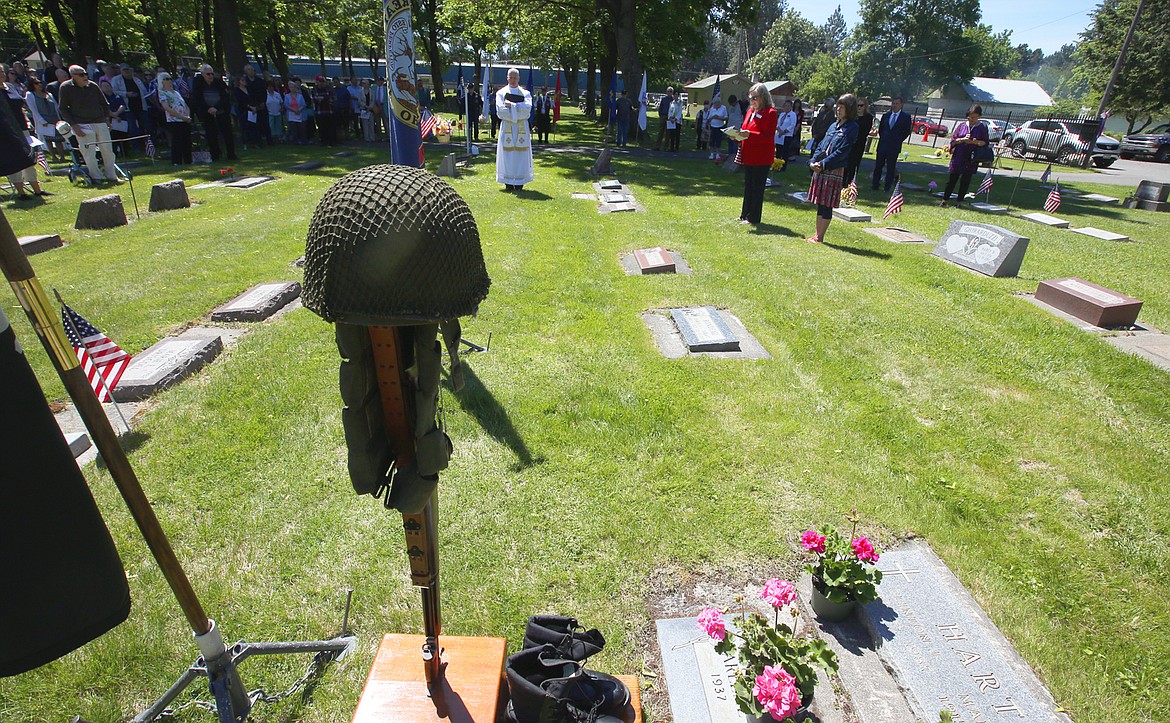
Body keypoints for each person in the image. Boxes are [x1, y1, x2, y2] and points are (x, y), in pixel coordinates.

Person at [806, 94, 860, 244]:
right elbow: (822, 146)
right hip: (821, 167)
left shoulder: (852, 127)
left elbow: (842, 151)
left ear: (849, 109)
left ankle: (820, 237)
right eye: (838, 106)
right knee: (820, 202)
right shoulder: (833, 125)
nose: (839, 109)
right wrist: (813, 161)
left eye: (842, 107)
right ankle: (817, 235)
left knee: (827, 203)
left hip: (833, 169)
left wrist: (823, 164)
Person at [58, 64, 118, 183]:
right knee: (89, 152)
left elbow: (104, 103)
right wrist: (74, 126)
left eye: (85, 74)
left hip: (99, 121)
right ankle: (96, 177)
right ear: (73, 76)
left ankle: (111, 175)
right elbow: (63, 109)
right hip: (81, 124)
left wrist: (107, 119)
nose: (85, 77)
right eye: (81, 75)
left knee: (107, 151)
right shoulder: (65, 87)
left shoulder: (93, 86)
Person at [736, 83, 778, 226]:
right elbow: (744, 129)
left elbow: (767, 136)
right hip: (748, 155)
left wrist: (749, 135)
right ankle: (744, 214)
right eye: (750, 98)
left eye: (755, 97)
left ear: (763, 97)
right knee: (748, 186)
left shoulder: (770, 113)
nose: (752, 100)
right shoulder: (750, 111)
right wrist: (736, 135)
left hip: (761, 157)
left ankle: (753, 217)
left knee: (757, 188)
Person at [940, 104, 989, 207]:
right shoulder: (962, 125)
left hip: (971, 157)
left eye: (974, 117)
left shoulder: (982, 127)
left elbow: (985, 142)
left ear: (979, 116)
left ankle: (959, 201)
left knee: (965, 180)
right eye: (970, 116)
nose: (971, 119)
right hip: (959, 155)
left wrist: (975, 142)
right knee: (952, 179)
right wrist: (961, 140)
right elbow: (953, 140)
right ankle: (945, 200)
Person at [495, 68, 533, 191]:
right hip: (507, 128)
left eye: (515, 77)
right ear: (507, 78)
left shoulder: (525, 93)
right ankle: (508, 182)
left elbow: (527, 111)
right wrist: (517, 109)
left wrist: (511, 105)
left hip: (522, 128)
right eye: (510, 77)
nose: (512, 80)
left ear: (519, 78)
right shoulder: (501, 93)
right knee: (508, 154)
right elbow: (501, 112)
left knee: (520, 155)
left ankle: (520, 181)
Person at [190, 64, 237, 161]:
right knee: (211, 134)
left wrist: (216, 107)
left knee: (227, 133)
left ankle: (231, 154)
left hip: (221, 111)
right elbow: (197, 99)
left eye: (212, 74)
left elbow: (224, 97)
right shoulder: (197, 83)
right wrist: (208, 109)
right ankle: (215, 155)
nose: (211, 76)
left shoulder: (218, 82)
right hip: (207, 113)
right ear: (203, 74)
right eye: (208, 74)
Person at [872, 96, 911, 192]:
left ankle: (887, 187)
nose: (894, 105)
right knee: (878, 167)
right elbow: (881, 130)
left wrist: (897, 140)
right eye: (893, 103)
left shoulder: (905, 117)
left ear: (901, 104)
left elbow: (906, 132)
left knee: (890, 168)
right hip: (882, 145)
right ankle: (875, 185)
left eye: (897, 103)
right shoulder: (886, 116)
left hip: (894, 147)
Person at [25, 77, 66, 162]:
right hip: (44, 120)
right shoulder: (30, 95)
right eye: (36, 83)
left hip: (54, 119)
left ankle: (62, 157)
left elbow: (56, 107)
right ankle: (54, 157)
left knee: (58, 139)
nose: (39, 85)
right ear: (32, 85)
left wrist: (60, 119)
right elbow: (33, 110)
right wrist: (42, 120)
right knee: (49, 140)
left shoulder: (48, 94)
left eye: (40, 83)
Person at [156, 72, 193, 165]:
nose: (169, 81)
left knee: (187, 140)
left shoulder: (176, 92)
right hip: (174, 120)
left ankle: (188, 160)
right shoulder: (163, 93)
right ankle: (177, 161)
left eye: (170, 79)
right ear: (162, 81)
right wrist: (181, 116)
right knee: (177, 140)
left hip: (185, 119)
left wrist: (187, 115)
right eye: (166, 79)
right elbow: (166, 107)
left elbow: (184, 104)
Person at [110, 64, 149, 142]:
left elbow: (144, 91)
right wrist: (126, 94)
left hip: (141, 106)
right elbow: (114, 91)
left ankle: (146, 144)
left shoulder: (137, 79)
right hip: (127, 107)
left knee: (145, 126)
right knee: (132, 127)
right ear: (121, 70)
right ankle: (135, 146)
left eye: (128, 69)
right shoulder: (116, 79)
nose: (127, 71)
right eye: (125, 69)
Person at [843, 97, 873, 186]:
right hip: (849, 142)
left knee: (854, 163)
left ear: (865, 106)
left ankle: (850, 182)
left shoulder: (868, 117)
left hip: (859, 143)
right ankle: (843, 181)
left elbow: (865, 132)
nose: (859, 107)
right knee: (846, 162)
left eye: (861, 105)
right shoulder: (852, 117)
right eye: (857, 105)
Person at [99, 79, 128, 155]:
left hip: (121, 120)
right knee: (113, 138)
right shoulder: (101, 99)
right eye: (104, 86)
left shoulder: (118, 97)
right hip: (109, 121)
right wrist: (114, 116)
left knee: (123, 137)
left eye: (108, 86)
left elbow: (123, 106)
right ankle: (114, 154)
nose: (106, 87)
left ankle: (125, 153)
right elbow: (103, 109)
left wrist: (117, 113)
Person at [242, 63, 269, 145]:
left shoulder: (260, 81)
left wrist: (263, 102)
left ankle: (269, 140)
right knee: (253, 125)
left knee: (265, 124)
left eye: (252, 69)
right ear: (246, 71)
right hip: (251, 107)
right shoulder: (245, 82)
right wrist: (251, 106)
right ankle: (256, 141)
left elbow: (264, 93)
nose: (252, 71)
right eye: (249, 70)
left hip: (261, 104)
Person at [312, 75, 337, 146]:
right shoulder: (314, 89)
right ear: (316, 82)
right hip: (320, 112)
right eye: (320, 81)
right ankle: (324, 141)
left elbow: (333, 98)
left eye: (323, 81)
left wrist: (322, 98)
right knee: (322, 128)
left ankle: (332, 141)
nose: (321, 83)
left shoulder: (329, 89)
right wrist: (325, 98)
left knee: (331, 127)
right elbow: (316, 100)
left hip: (330, 111)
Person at [774, 100, 797, 171]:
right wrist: (779, 130)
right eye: (785, 106)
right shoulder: (782, 114)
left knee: (785, 152)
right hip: (779, 135)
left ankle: (783, 167)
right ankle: (776, 166)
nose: (787, 107)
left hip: (787, 136)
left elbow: (792, 125)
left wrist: (783, 132)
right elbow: (777, 124)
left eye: (788, 106)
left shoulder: (793, 114)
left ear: (791, 107)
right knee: (778, 151)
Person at [284, 78, 306, 144]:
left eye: (294, 87)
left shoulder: (300, 96)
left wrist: (299, 110)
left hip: (299, 113)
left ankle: (302, 141)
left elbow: (303, 104)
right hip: (291, 114)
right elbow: (286, 105)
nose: (293, 89)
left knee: (301, 128)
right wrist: (294, 110)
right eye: (291, 87)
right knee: (293, 128)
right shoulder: (287, 96)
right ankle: (294, 141)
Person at [706, 95, 727, 160]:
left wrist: (719, 118)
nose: (716, 105)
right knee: (712, 141)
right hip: (713, 127)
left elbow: (726, 118)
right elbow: (708, 118)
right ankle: (712, 154)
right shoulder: (712, 108)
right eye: (715, 103)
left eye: (717, 103)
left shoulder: (723, 108)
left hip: (720, 127)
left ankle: (718, 154)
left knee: (718, 140)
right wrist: (713, 117)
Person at [725, 94, 743, 163]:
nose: (731, 104)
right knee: (729, 143)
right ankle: (730, 157)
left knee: (735, 143)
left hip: (736, 127)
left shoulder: (740, 105)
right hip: (729, 126)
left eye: (732, 103)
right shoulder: (730, 107)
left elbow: (744, 114)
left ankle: (734, 159)